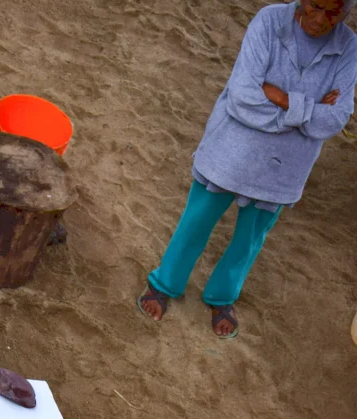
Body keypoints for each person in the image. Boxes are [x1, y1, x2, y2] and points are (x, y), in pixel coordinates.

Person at [137, 0, 357, 339]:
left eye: (333, 13)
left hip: (284, 167)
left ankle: (222, 296)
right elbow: (242, 96)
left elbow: (337, 118)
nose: (320, 19)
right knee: (197, 218)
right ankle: (166, 283)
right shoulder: (269, 21)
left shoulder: (349, 46)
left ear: (345, 13)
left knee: (250, 238)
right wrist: (308, 110)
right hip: (234, 148)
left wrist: (283, 99)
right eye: (315, 6)